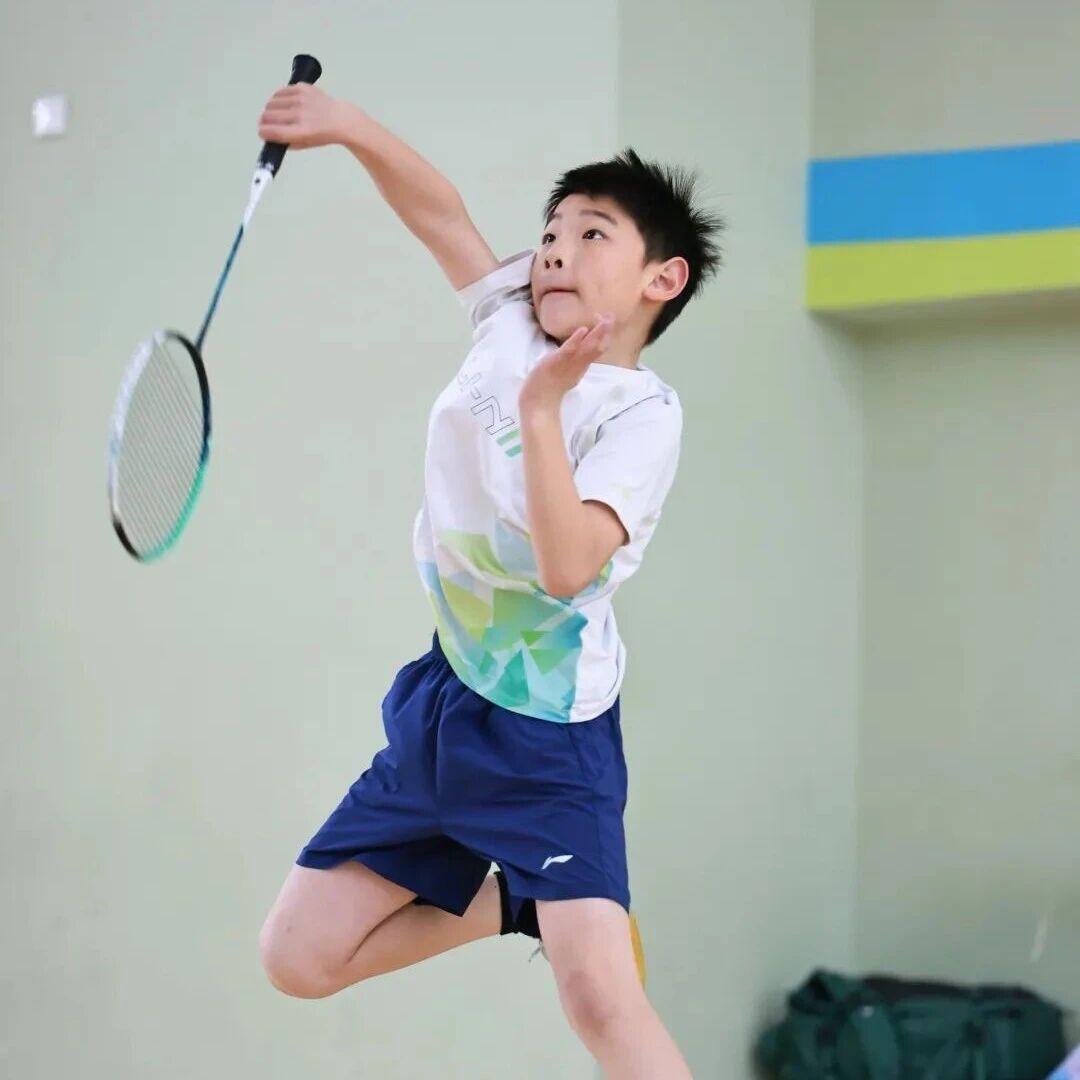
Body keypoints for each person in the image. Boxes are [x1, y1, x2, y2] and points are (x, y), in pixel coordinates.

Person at [255, 79, 722, 1079]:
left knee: (600, 1002)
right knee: (296, 958)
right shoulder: (510, 318)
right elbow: (442, 216)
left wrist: (543, 413)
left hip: (550, 739)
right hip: (448, 698)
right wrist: (350, 127)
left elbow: (567, 565)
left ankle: (541, 901)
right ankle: (514, 902)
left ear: (663, 278)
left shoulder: (640, 415)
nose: (555, 250)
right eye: (551, 232)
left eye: (591, 234)